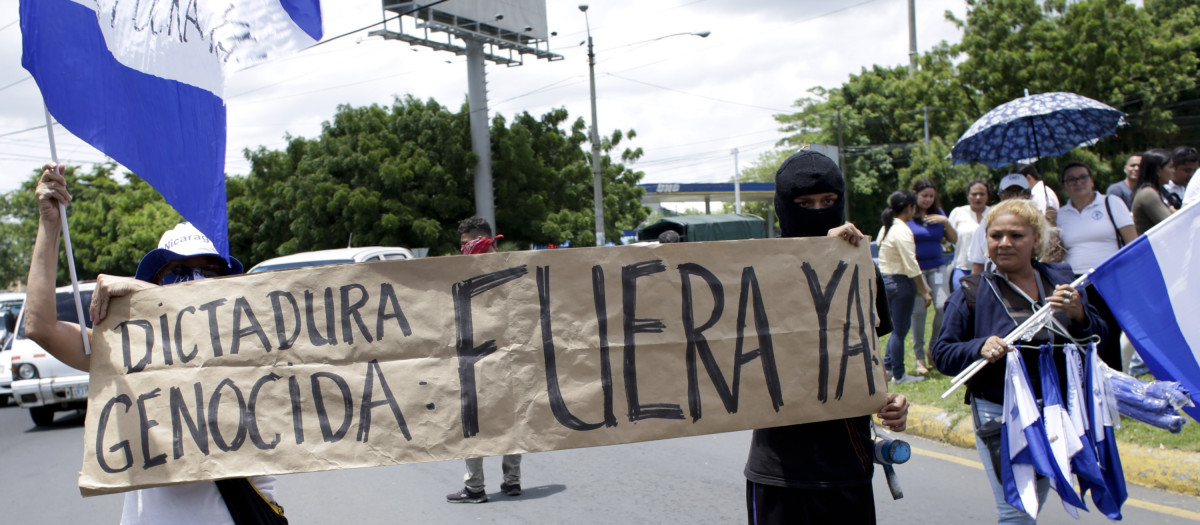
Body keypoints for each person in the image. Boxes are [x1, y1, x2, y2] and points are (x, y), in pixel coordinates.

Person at [25, 164, 280, 525]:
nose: (192, 281)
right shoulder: (132, 351)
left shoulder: (250, 344)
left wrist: (144, 290)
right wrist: (49, 225)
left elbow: (200, 333)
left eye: (207, 271)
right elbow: (40, 327)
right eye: (176, 272)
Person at [744, 149, 908, 525]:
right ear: (785, 208)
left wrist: (891, 401)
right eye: (805, 204)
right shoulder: (756, 273)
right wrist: (818, 257)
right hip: (777, 469)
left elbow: (870, 356)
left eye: (828, 202)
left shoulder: (863, 272)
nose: (818, 212)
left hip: (846, 466)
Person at [931, 199, 1107, 524]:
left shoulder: (1062, 281)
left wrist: (1079, 313)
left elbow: (1097, 336)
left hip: (1057, 410)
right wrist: (979, 346)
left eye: (1016, 235)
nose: (1005, 243)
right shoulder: (971, 292)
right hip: (1001, 413)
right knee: (1017, 511)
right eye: (995, 236)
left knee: (1033, 505)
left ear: (1036, 239)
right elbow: (941, 354)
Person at [446, 216, 522, 504]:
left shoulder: (469, 272)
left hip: (477, 359)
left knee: (472, 419)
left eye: (466, 243)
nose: (463, 249)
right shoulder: (512, 268)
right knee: (510, 418)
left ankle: (475, 487)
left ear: (479, 238)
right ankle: (512, 481)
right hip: (508, 357)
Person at [1056, 162, 1136, 371]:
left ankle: (1115, 386)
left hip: (1108, 279)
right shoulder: (1060, 214)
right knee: (1083, 337)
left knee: (1109, 336)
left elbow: (1132, 243)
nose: (1078, 183)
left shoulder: (1111, 203)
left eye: (1082, 177)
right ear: (1064, 186)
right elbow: (1058, 252)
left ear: (1092, 180)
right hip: (1076, 283)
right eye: (1071, 179)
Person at [877, 190, 930, 384]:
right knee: (900, 330)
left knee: (894, 329)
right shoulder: (902, 230)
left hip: (886, 280)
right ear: (910, 207)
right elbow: (911, 264)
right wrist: (924, 291)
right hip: (900, 282)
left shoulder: (887, 227)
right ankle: (899, 374)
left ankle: (889, 367)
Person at [908, 178, 955, 376]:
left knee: (942, 307)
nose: (928, 200)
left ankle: (933, 349)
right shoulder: (908, 214)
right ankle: (919, 357)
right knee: (919, 313)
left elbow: (953, 239)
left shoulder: (939, 214)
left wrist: (945, 221)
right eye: (924, 196)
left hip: (937, 268)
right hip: (917, 271)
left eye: (931, 196)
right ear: (915, 194)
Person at [968, 174, 1032, 274]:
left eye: (1020, 192)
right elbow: (978, 263)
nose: (1014, 197)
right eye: (1009, 192)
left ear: (1028, 195)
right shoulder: (987, 222)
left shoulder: (1036, 223)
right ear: (1000, 195)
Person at [947, 179, 990, 293]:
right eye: (974, 194)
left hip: (987, 269)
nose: (978, 197)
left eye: (982, 194)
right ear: (968, 196)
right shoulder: (958, 212)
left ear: (988, 196)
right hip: (962, 267)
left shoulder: (993, 213)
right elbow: (948, 240)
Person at [1130, 150, 1176, 235]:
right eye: (1170, 167)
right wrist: (1176, 214)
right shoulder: (1148, 194)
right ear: (1158, 170)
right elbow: (1172, 225)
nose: (1173, 171)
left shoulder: (1155, 191)